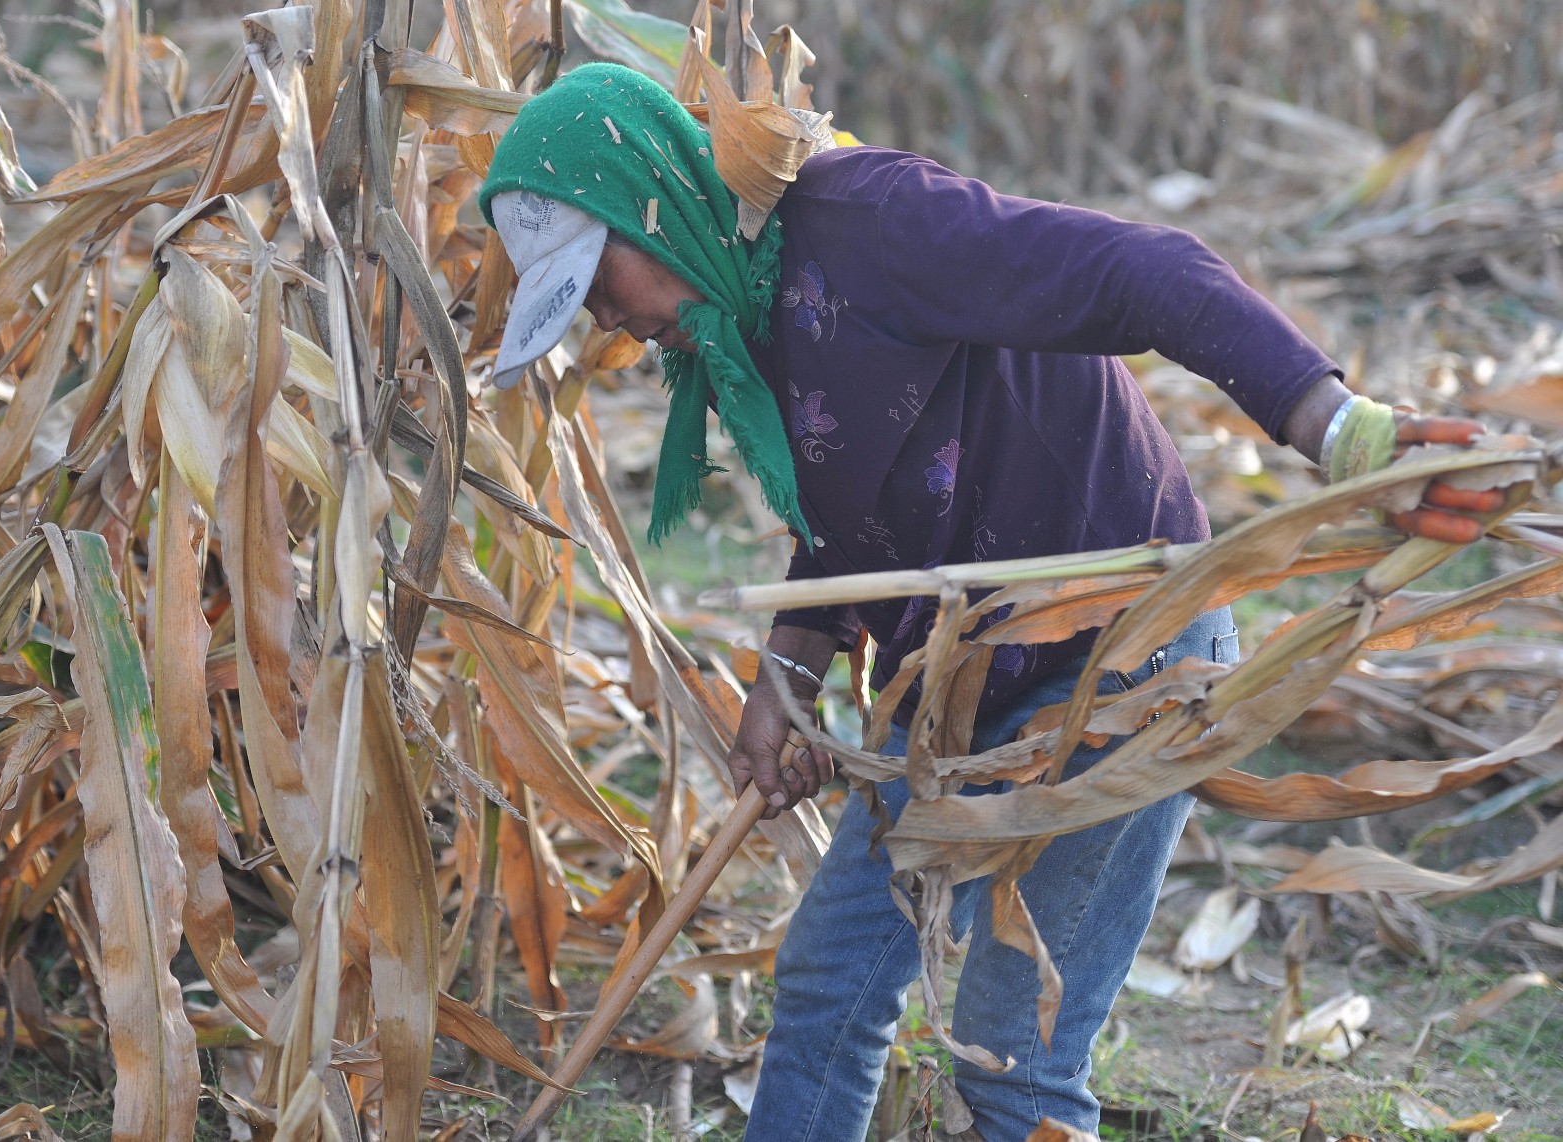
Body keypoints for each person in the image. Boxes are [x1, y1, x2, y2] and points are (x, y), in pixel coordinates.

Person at [478, 63, 1497, 1140]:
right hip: (954, 678)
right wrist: (786, 680)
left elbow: (1149, 272)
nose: (609, 321)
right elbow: (845, 508)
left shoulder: (877, 224)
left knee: (1018, 1054)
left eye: (599, 281)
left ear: (653, 198)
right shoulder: (734, 317)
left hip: (1127, 662)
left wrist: (1339, 430)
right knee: (827, 981)